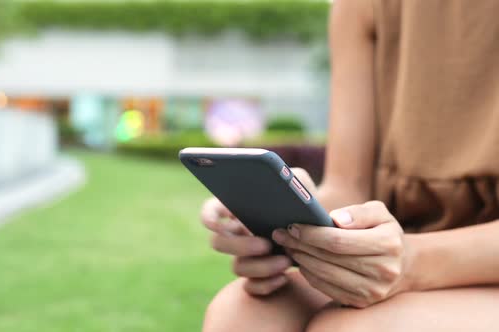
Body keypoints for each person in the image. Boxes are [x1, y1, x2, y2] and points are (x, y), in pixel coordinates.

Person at [201, 0, 499, 331]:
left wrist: (413, 262)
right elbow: (348, 186)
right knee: (242, 313)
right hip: (397, 259)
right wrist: (288, 217)